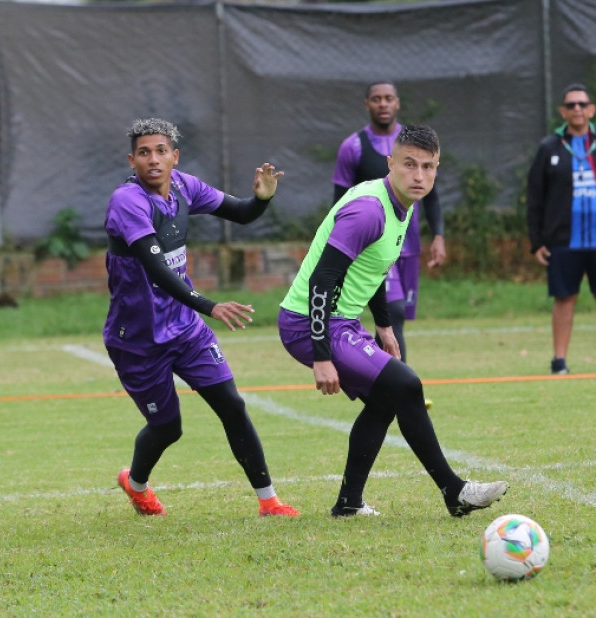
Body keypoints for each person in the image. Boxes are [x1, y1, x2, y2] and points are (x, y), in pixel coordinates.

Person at [279, 124, 508, 517]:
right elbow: (321, 278)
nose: (419, 176)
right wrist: (320, 355)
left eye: (429, 167)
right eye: (410, 165)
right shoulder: (369, 210)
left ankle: (349, 504)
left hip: (342, 321)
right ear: (391, 163)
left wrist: (383, 325)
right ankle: (454, 490)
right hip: (310, 323)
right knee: (406, 384)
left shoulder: (402, 203)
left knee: (387, 398)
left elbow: (373, 267)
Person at [105, 118, 298, 517]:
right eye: (144, 152)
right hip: (139, 338)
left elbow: (242, 213)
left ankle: (270, 502)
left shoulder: (184, 186)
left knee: (231, 404)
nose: (153, 159)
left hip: (186, 328)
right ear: (132, 160)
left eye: (161, 151)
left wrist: (261, 198)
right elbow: (158, 270)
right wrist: (211, 306)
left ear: (174, 157)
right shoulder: (128, 202)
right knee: (167, 428)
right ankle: (136, 484)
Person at [526, 83, 596, 375]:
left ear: (591, 109)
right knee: (564, 297)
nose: (577, 109)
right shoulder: (549, 147)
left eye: (582, 104)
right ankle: (559, 361)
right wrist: (537, 241)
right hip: (564, 239)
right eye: (571, 105)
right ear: (563, 111)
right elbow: (535, 195)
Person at [332, 81, 446, 364]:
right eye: (376, 99)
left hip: (407, 246)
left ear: (397, 103)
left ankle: (385, 382)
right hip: (374, 244)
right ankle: (399, 386)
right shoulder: (353, 146)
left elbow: (432, 197)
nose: (383, 104)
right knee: (391, 312)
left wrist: (439, 236)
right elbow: (341, 200)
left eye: (389, 98)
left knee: (397, 319)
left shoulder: (415, 147)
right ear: (367, 105)